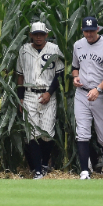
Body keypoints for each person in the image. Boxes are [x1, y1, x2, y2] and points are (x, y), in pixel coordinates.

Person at [72, 16, 103, 179]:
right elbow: (75, 66)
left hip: (101, 94)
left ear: (97, 29)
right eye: (86, 31)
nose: (89, 34)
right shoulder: (78, 45)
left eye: (92, 31)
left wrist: (98, 89)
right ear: (82, 30)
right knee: (82, 132)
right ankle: (85, 170)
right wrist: (75, 77)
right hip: (82, 93)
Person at [16, 22, 64, 179]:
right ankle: (37, 170)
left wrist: (50, 93)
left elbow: (59, 74)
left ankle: (44, 163)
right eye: (35, 34)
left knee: (47, 134)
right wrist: (20, 97)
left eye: (41, 34)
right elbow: (20, 75)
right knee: (32, 133)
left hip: (48, 94)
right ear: (30, 35)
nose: (38, 37)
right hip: (30, 94)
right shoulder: (24, 50)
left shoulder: (54, 49)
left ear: (46, 35)